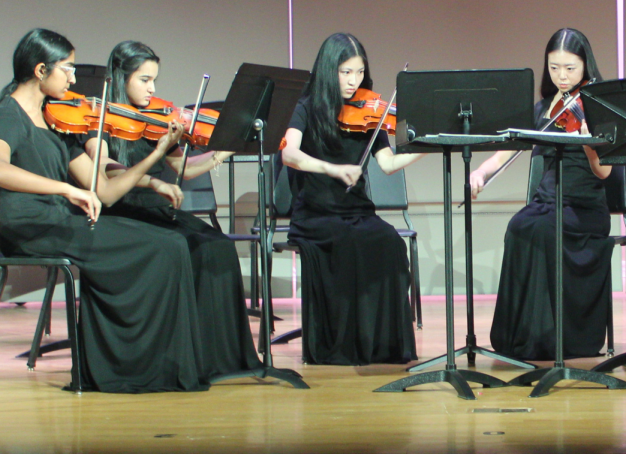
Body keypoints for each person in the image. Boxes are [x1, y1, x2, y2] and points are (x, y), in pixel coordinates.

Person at [0, 28, 206, 393]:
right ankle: (122, 369)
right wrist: (66, 189)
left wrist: (157, 152)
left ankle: (152, 364)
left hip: (59, 222)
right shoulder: (8, 114)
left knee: (171, 243)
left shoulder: (55, 119)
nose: (74, 78)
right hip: (31, 226)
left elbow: (104, 189)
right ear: (41, 70)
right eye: (67, 69)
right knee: (160, 248)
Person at [81, 40, 260, 380]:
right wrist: (154, 173)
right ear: (122, 78)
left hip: (153, 209)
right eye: (144, 80)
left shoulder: (155, 119)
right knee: (180, 248)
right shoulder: (97, 120)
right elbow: (105, 170)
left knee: (217, 247)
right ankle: (179, 356)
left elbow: (185, 170)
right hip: (121, 212)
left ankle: (215, 357)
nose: (152, 89)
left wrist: (225, 151)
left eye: (154, 81)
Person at [469, 27, 614, 360]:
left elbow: (605, 172)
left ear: (585, 67)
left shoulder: (597, 106)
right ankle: (522, 336)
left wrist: (589, 143)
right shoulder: (544, 109)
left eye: (570, 68)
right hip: (547, 204)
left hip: (585, 209)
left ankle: (556, 339)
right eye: (554, 68)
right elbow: (507, 150)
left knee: (542, 229)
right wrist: (480, 172)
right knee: (519, 226)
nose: (562, 76)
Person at [280, 33, 421, 365]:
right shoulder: (305, 107)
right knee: (353, 244)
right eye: (345, 72)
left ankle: (380, 345)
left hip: (356, 211)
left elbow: (387, 164)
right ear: (330, 70)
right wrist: (331, 168)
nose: (353, 81)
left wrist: (423, 148)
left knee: (390, 244)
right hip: (316, 213)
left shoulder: (370, 111)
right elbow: (290, 154)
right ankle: (343, 346)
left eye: (359, 72)